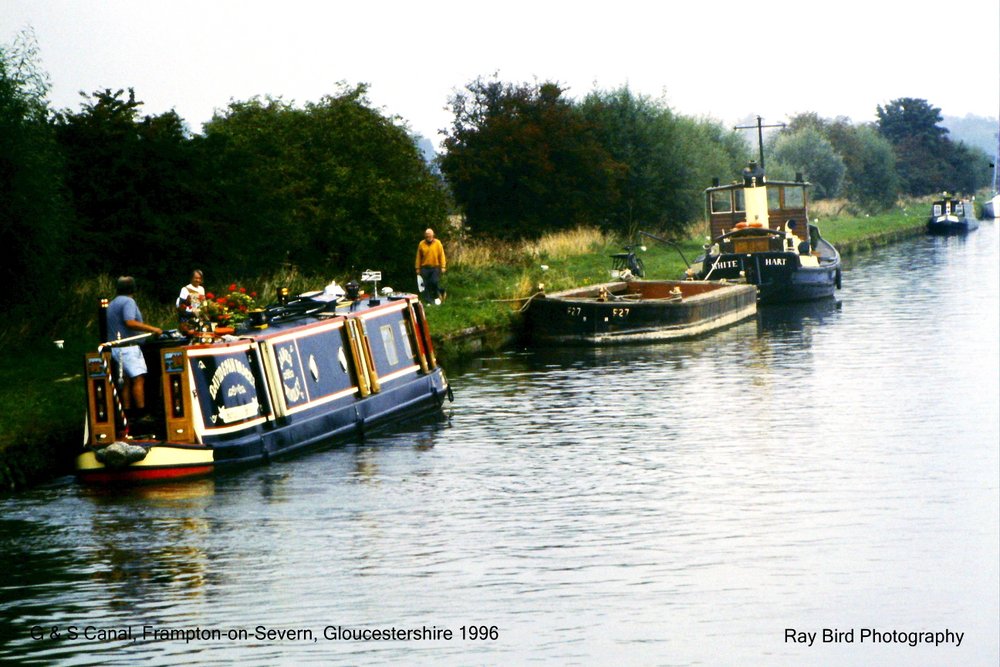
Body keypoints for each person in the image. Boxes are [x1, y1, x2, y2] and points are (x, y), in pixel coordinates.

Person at [105, 276, 162, 419]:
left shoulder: (112, 303)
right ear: (133, 288)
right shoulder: (129, 302)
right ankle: (142, 414)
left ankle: (127, 414)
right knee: (138, 379)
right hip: (129, 348)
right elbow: (129, 321)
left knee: (126, 381)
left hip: (116, 348)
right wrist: (152, 329)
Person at [415, 228, 447, 304]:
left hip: (435, 267)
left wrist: (443, 266)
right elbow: (418, 257)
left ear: (433, 235)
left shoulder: (438, 243)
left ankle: (440, 291)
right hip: (424, 268)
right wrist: (417, 268)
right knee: (425, 285)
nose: (428, 237)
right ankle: (429, 300)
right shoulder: (421, 244)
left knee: (434, 282)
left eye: (430, 235)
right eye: (427, 236)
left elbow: (442, 255)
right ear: (425, 236)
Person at [176, 269, 205, 334]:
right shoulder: (185, 289)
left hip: (199, 316)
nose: (198, 280)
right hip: (187, 319)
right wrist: (188, 301)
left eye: (199, 278)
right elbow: (181, 307)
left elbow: (203, 304)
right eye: (196, 278)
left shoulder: (201, 289)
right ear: (191, 278)